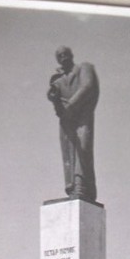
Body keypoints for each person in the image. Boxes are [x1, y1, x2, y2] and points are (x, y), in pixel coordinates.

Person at [47, 46, 99, 202]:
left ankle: (82, 186)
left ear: (71, 55)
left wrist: (70, 106)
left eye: (65, 54)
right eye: (60, 56)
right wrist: (55, 98)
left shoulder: (85, 67)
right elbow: (55, 100)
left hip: (82, 115)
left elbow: (88, 86)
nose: (63, 58)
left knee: (83, 147)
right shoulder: (57, 79)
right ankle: (73, 187)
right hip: (67, 119)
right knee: (69, 152)